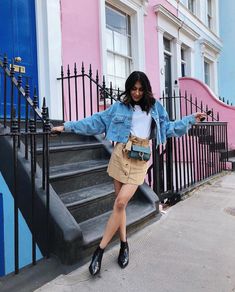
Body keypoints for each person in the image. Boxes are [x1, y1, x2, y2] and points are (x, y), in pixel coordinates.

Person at [51, 71, 206, 276]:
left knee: (121, 203)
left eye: (141, 89)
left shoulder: (155, 108)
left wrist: (190, 120)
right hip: (120, 155)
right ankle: (124, 244)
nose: (136, 93)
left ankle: (99, 250)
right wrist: (67, 127)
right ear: (129, 88)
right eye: (133, 89)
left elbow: (168, 128)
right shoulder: (119, 107)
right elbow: (95, 121)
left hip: (140, 159)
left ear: (146, 89)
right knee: (119, 204)